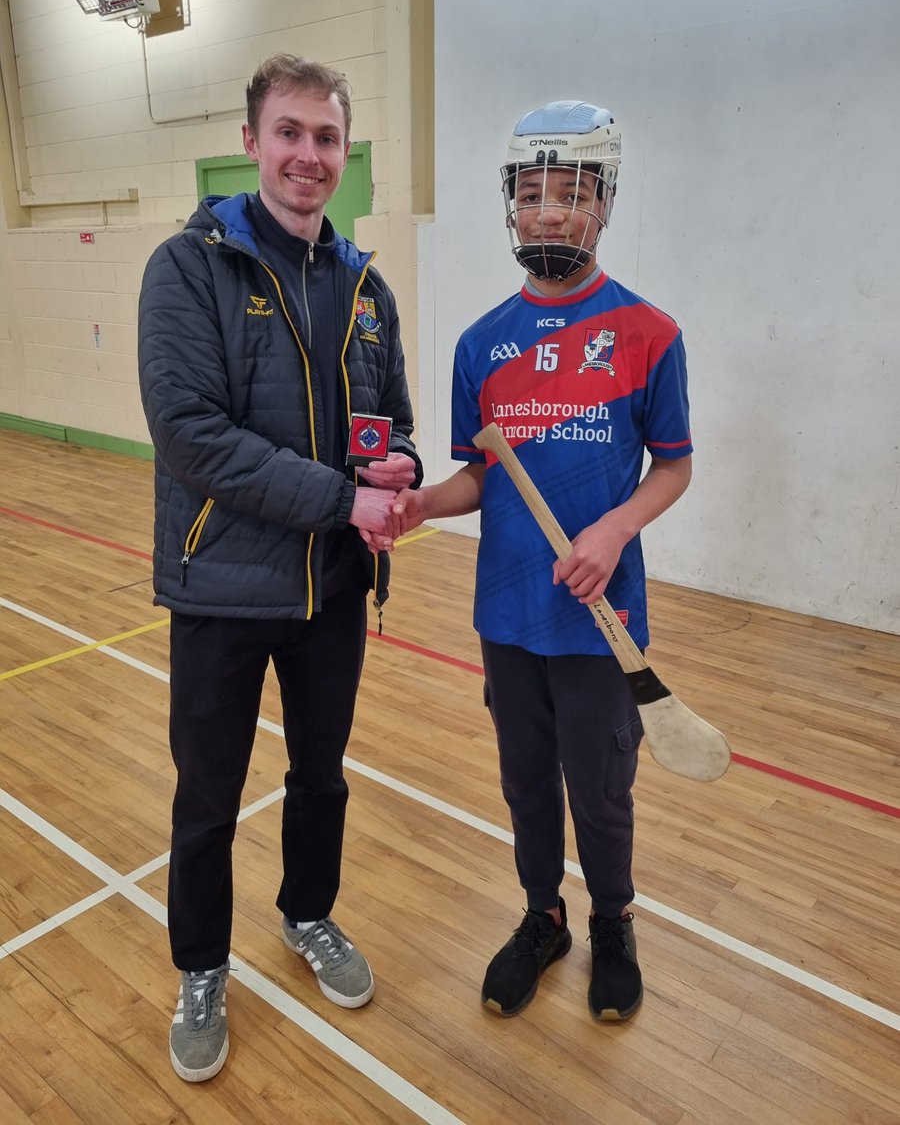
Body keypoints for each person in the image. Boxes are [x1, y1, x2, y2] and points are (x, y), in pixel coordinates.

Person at [138, 54, 421, 1082]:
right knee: (207, 799)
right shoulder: (186, 267)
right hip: (219, 588)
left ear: (344, 156)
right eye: (291, 133)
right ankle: (202, 968)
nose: (310, 156)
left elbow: (391, 425)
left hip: (331, 594)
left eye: (327, 139)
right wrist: (347, 499)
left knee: (322, 781)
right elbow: (191, 436)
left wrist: (400, 469)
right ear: (253, 143)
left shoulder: (365, 286)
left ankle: (309, 915)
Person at [393, 100, 692, 1022]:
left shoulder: (650, 333)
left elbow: (674, 467)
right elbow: (478, 477)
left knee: (601, 792)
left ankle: (612, 921)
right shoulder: (480, 344)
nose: (552, 214)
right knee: (527, 787)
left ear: (604, 204)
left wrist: (614, 530)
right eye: (534, 195)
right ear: (511, 207)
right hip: (509, 619)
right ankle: (543, 917)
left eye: (573, 194)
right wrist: (416, 506)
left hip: (604, 625)